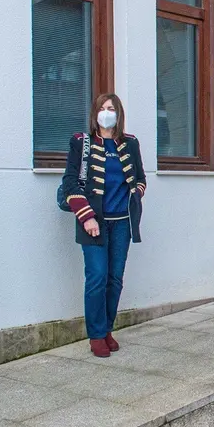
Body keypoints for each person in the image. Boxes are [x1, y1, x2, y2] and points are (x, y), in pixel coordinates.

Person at [62, 94, 147, 358]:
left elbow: (141, 179)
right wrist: (86, 216)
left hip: (122, 223)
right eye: (102, 108)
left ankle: (107, 328)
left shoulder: (130, 143)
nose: (106, 112)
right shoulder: (81, 143)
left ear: (118, 114)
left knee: (115, 279)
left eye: (111, 108)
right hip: (93, 222)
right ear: (95, 113)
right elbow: (70, 183)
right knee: (97, 277)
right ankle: (96, 335)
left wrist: (136, 193)